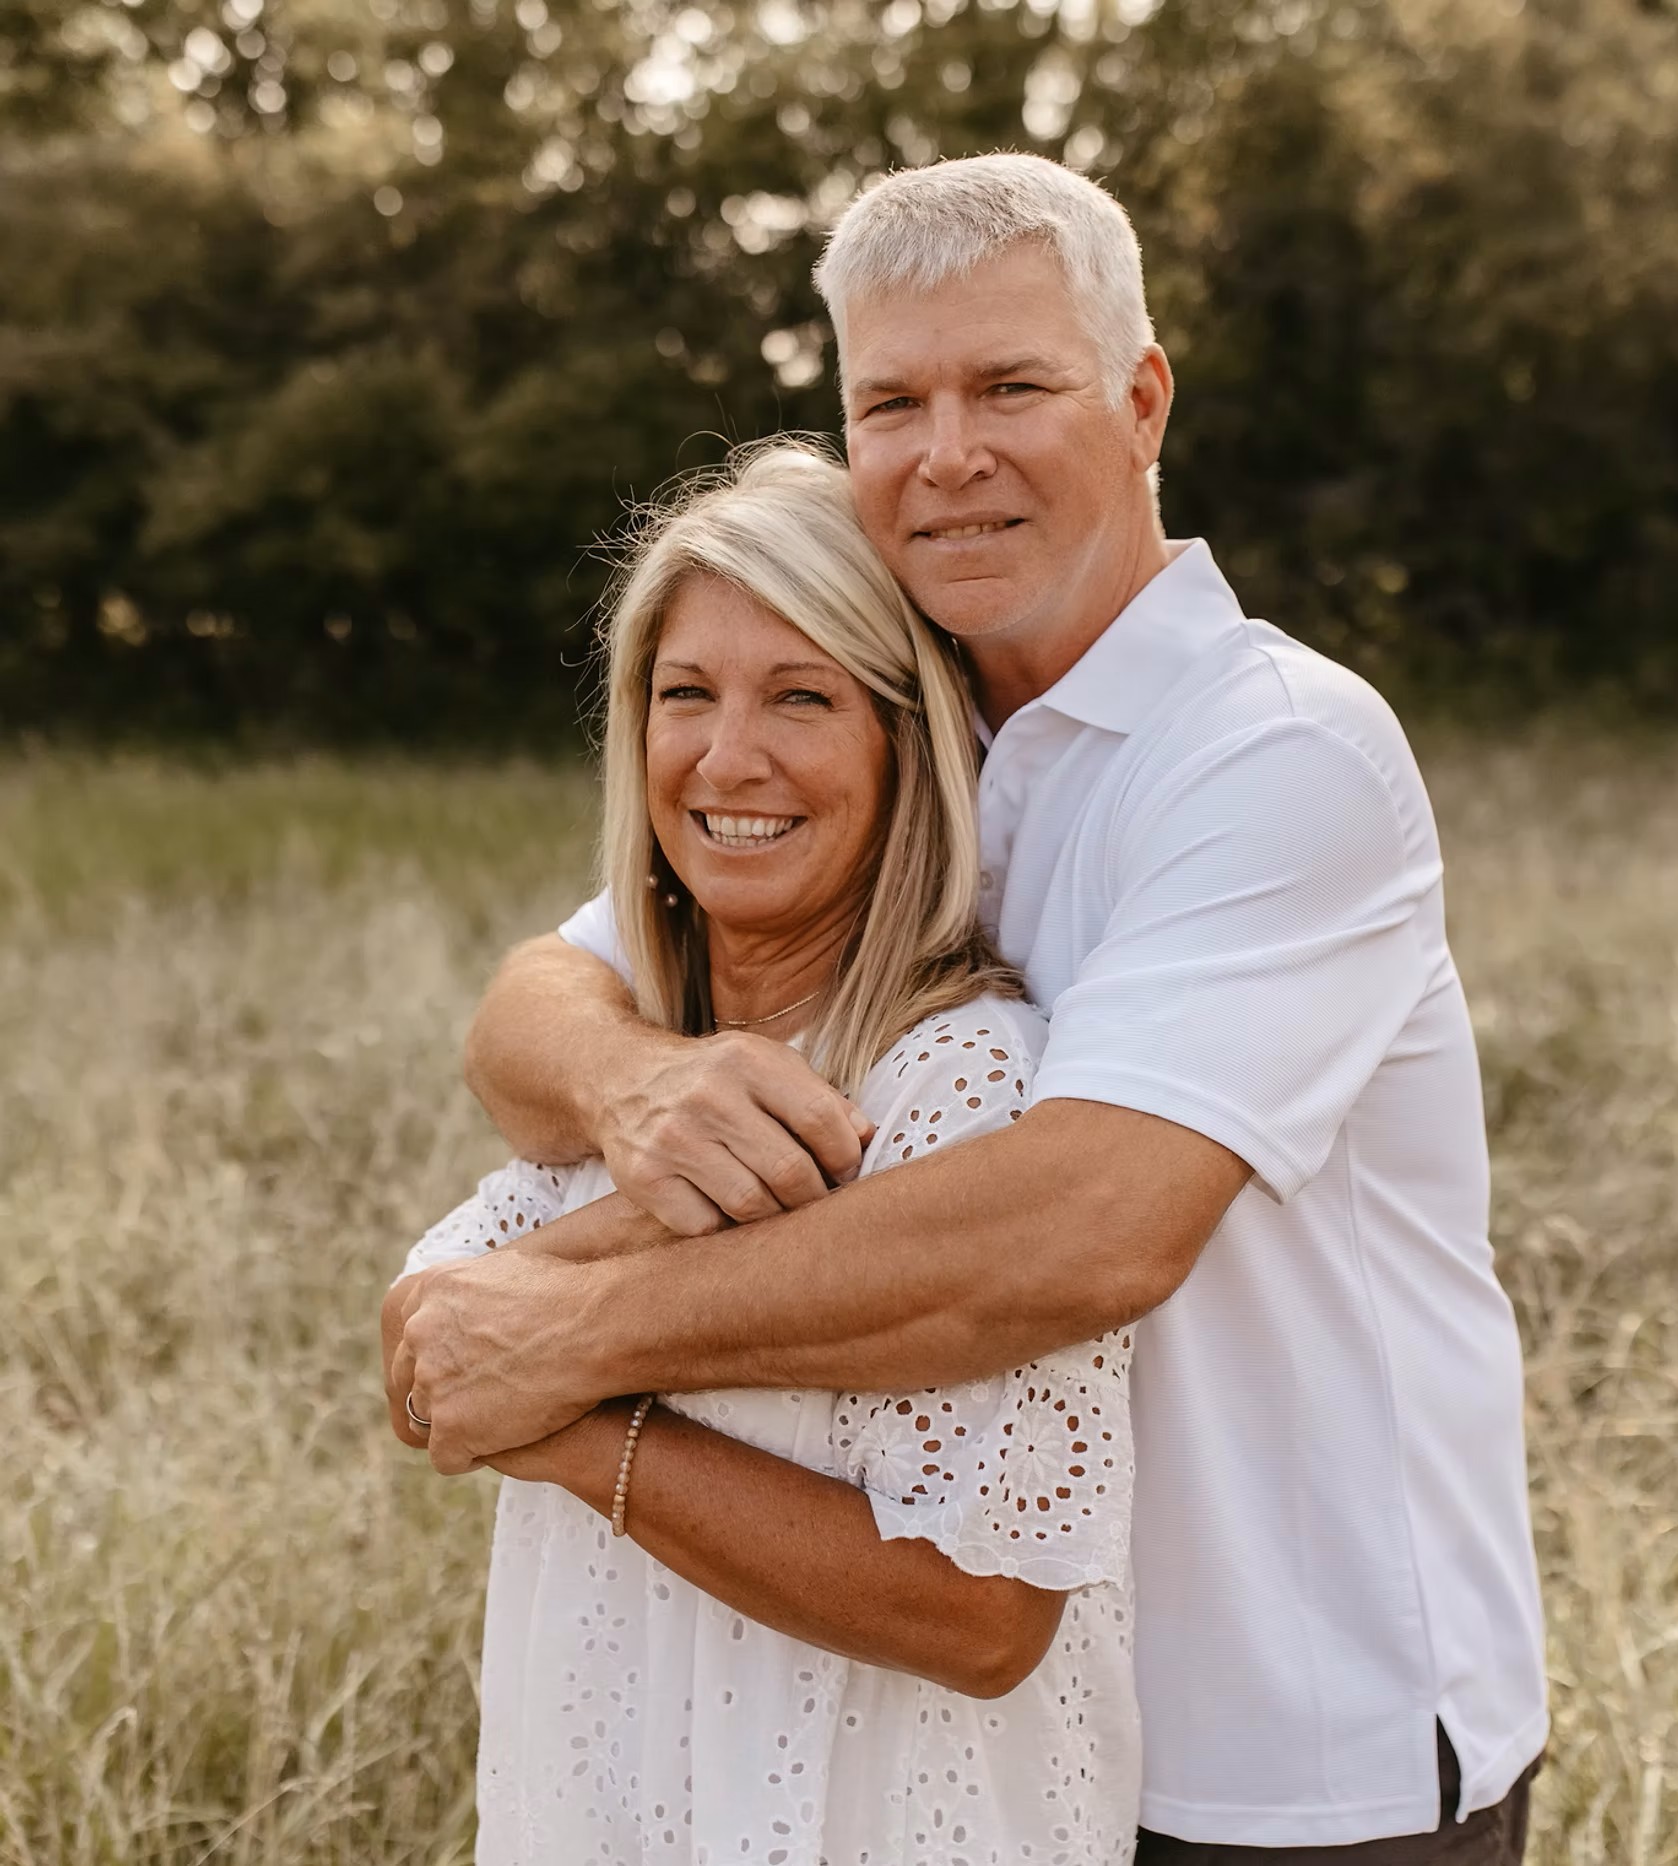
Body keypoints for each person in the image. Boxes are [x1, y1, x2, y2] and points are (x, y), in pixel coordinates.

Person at [392, 154, 1548, 1861]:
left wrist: (563, 1346)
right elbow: (541, 1002)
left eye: (1011, 384)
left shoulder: (1268, 752)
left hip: (1295, 1743)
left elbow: (1079, 1234)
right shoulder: (910, 721)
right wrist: (636, 1082)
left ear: (1141, 398)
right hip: (1021, 1770)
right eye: (892, 401)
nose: (948, 453)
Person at [384, 444, 1142, 1864]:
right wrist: (540, 1318)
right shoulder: (629, 1062)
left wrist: (570, 1409)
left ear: (899, 744)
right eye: (687, 695)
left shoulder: (964, 1080)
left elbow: (982, 1615)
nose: (729, 758)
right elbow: (423, 1359)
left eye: (802, 695)